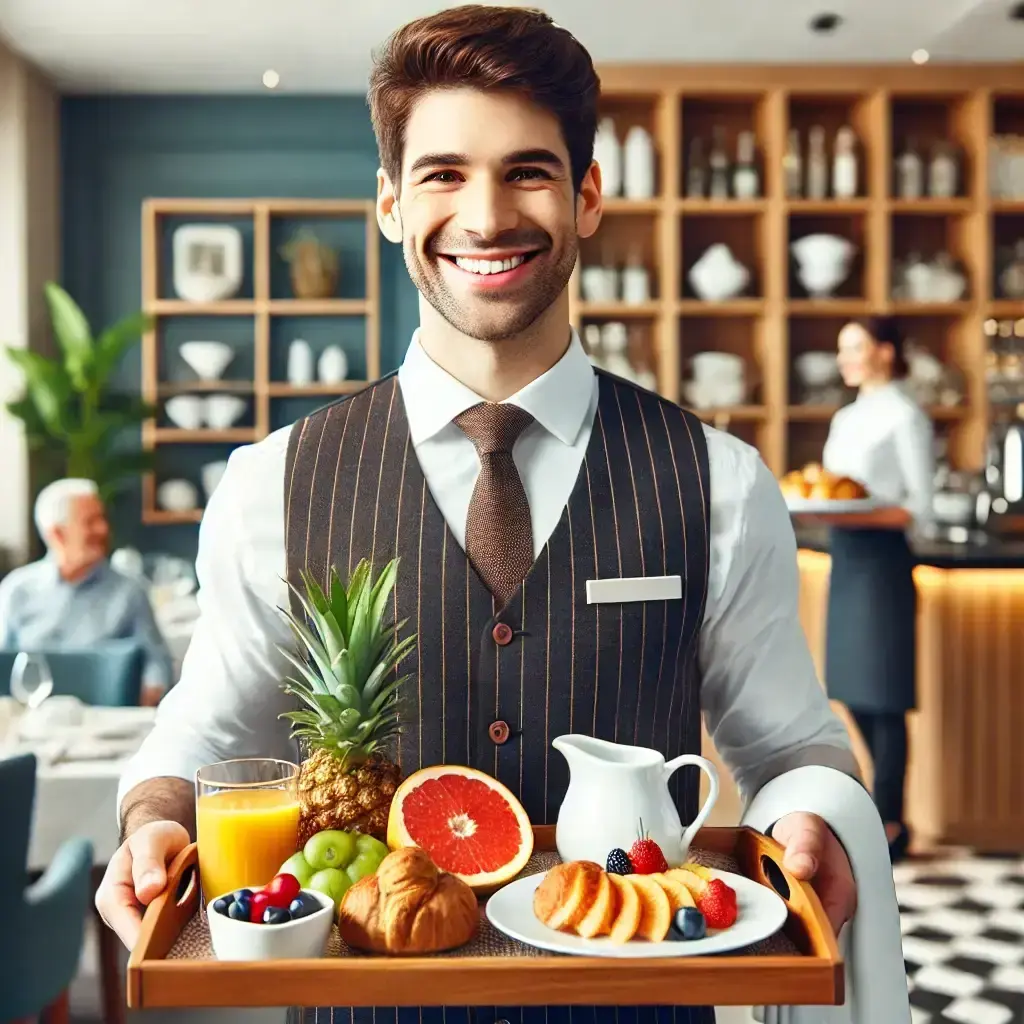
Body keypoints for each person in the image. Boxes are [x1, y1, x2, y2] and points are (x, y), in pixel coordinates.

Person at [97, 9, 904, 1024]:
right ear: (389, 203)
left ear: (587, 196)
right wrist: (154, 815)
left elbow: (787, 747)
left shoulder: (719, 480)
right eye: (441, 174)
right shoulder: (274, 482)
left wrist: (815, 820)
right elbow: (209, 726)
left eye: (527, 171)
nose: (484, 216)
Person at [818, 316, 935, 862]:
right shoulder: (845, 418)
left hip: (884, 562)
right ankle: (881, 809)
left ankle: (890, 820)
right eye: (842, 350)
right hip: (846, 558)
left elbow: (921, 510)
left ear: (886, 353)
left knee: (883, 697)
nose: (845, 359)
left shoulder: (906, 416)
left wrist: (859, 515)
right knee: (852, 689)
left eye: (855, 348)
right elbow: (832, 490)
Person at [0, 478, 174, 706]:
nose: (103, 529)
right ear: (57, 535)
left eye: (102, 519)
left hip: (103, 724)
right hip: (31, 721)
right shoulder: (17, 590)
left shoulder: (130, 591)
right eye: (90, 522)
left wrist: (148, 691)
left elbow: (157, 666)